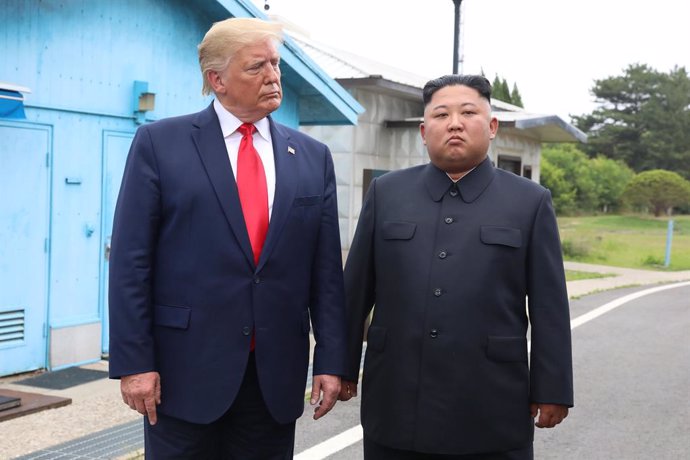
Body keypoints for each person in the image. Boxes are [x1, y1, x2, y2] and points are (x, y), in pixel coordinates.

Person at [108, 17, 347, 459]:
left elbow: (326, 270)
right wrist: (134, 362)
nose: (274, 76)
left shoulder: (312, 157)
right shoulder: (161, 144)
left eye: (276, 64)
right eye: (257, 66)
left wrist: (332, 360)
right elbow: (130, 261)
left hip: (274, 377)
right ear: (216, 79)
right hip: (183, 374)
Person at [338, 74, 573, 460]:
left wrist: (553, 388)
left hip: (491, 405)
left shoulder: (529, 202)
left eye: (468, 112)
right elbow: (356, 290)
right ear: (423, 130)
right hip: (396, 401)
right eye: (441, 114)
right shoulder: (387, 193)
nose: (455, 123)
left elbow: (550, 306)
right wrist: (339, 365)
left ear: (492, 126)